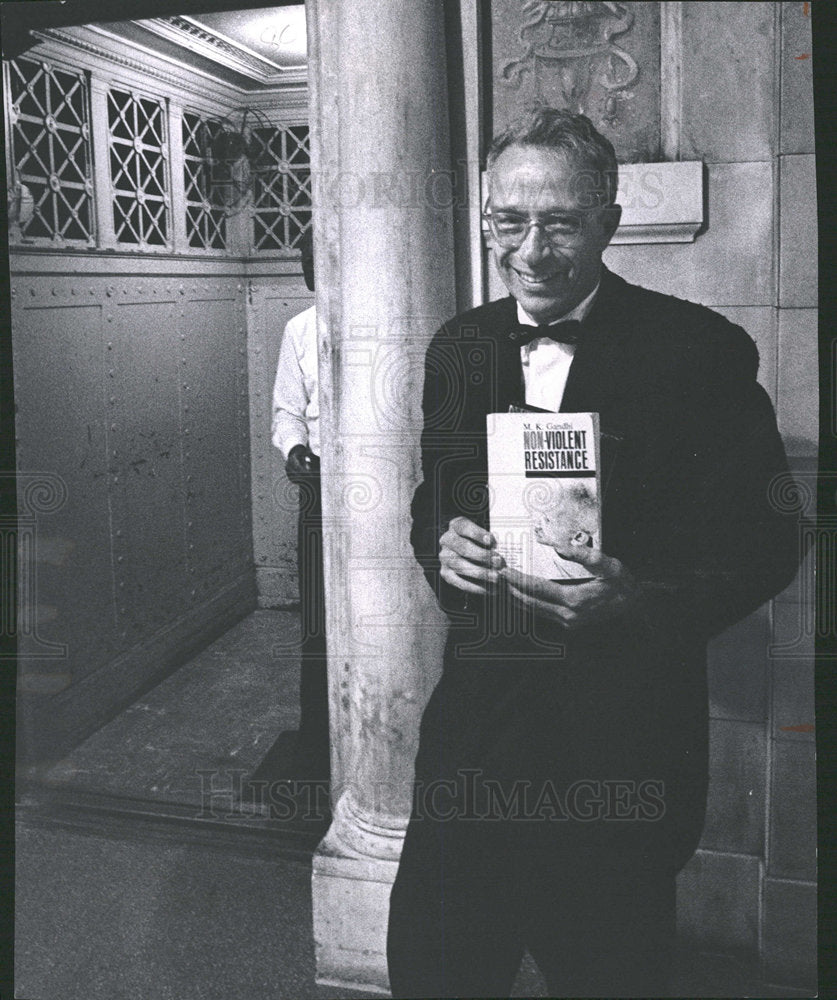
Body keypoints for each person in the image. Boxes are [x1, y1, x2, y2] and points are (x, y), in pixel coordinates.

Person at [386, 108, 800, 998]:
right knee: (434, 972)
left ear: (608, 223)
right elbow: (434, 501)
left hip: (618, 750)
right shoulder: (460, 345)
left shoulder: (698, 351)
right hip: (477, 741)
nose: (529, 251)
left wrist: (641, 599)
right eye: (509, 222)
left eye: (559, 222)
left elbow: (771, 542)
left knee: (609, 976)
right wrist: (441, 547)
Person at [255, 227, 329, 787]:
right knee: (318, 619)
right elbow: (287, 411)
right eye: (300, 255)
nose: (306, 265)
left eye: (315, 255)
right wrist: (297, 449)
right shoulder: (299, 330)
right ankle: (319, 739)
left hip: (378, 488)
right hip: (320, 492)